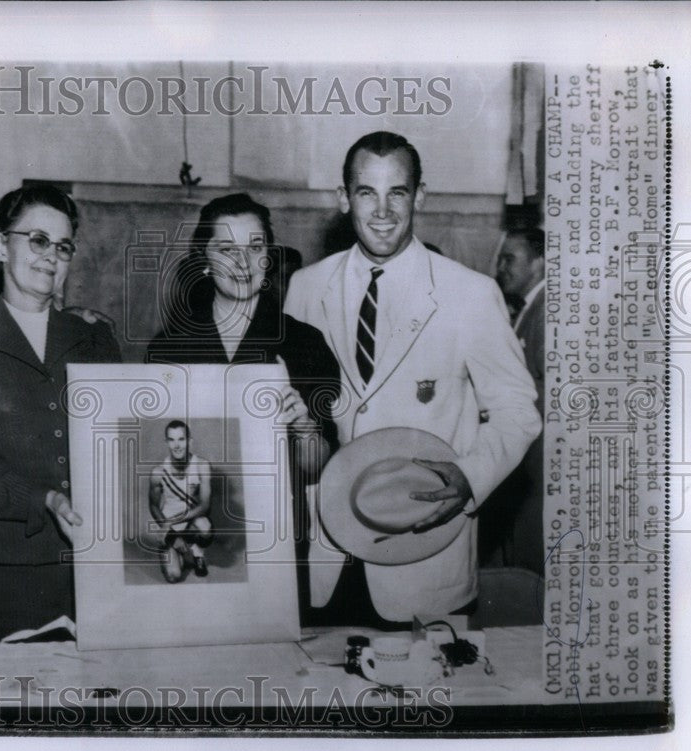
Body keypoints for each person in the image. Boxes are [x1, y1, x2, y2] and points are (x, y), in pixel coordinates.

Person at [283, 131, 542, 626]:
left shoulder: (469, 294)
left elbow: (517, 413)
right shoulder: (306, 287)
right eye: (366, 192)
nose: (382, 211)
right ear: (344, 199)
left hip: (425, 559)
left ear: (419, 196)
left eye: (397, 192)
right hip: (324, 563)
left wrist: (471, 477)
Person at [145, 193, 340, 615]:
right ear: (203, 259)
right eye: (226, 249)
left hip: (277, 546)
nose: (242, 263)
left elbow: (317, 466)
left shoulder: (304, 343)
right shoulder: (169, 347)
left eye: (255, 248)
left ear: (268, 257)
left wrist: (304, 427)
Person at [0, 183, 121, 642]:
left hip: (96, 574)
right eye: (38, 240)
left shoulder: (96, 339)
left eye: (63, 247)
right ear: (2, 244)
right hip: (10, 578)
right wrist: (43, 498)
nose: (51, 257)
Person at [485, 227, 546, 573]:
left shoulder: (547, 310)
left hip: (539, 464)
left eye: (510, 259)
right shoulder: (525, 309)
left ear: (539, 263)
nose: (500, 268)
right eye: (499, 258)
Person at [149, 421, 213, 582]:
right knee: (173, 576)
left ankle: (196, 551)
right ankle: (179, 550)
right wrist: (170, 532)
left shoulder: (202, 465)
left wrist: (174, 520)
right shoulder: (158, 472)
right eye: (172, 440)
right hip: (169, 525)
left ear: (189, 441)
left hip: (191, 520)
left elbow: (205, 505)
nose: (177, 445)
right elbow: (153, 505)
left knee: (206, 529)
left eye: (181, 439)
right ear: (167, 442)